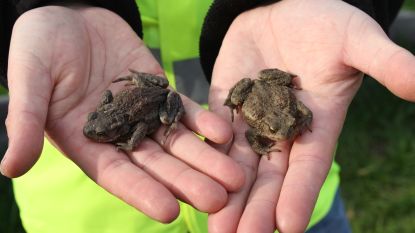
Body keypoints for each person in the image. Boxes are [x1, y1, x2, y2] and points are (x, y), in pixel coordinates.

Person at [0, 0, 413, 233]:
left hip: (294, 197)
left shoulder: (279, 123)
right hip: (85, 216)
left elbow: (284, 118)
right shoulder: (114, 120)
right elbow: (133, 119)